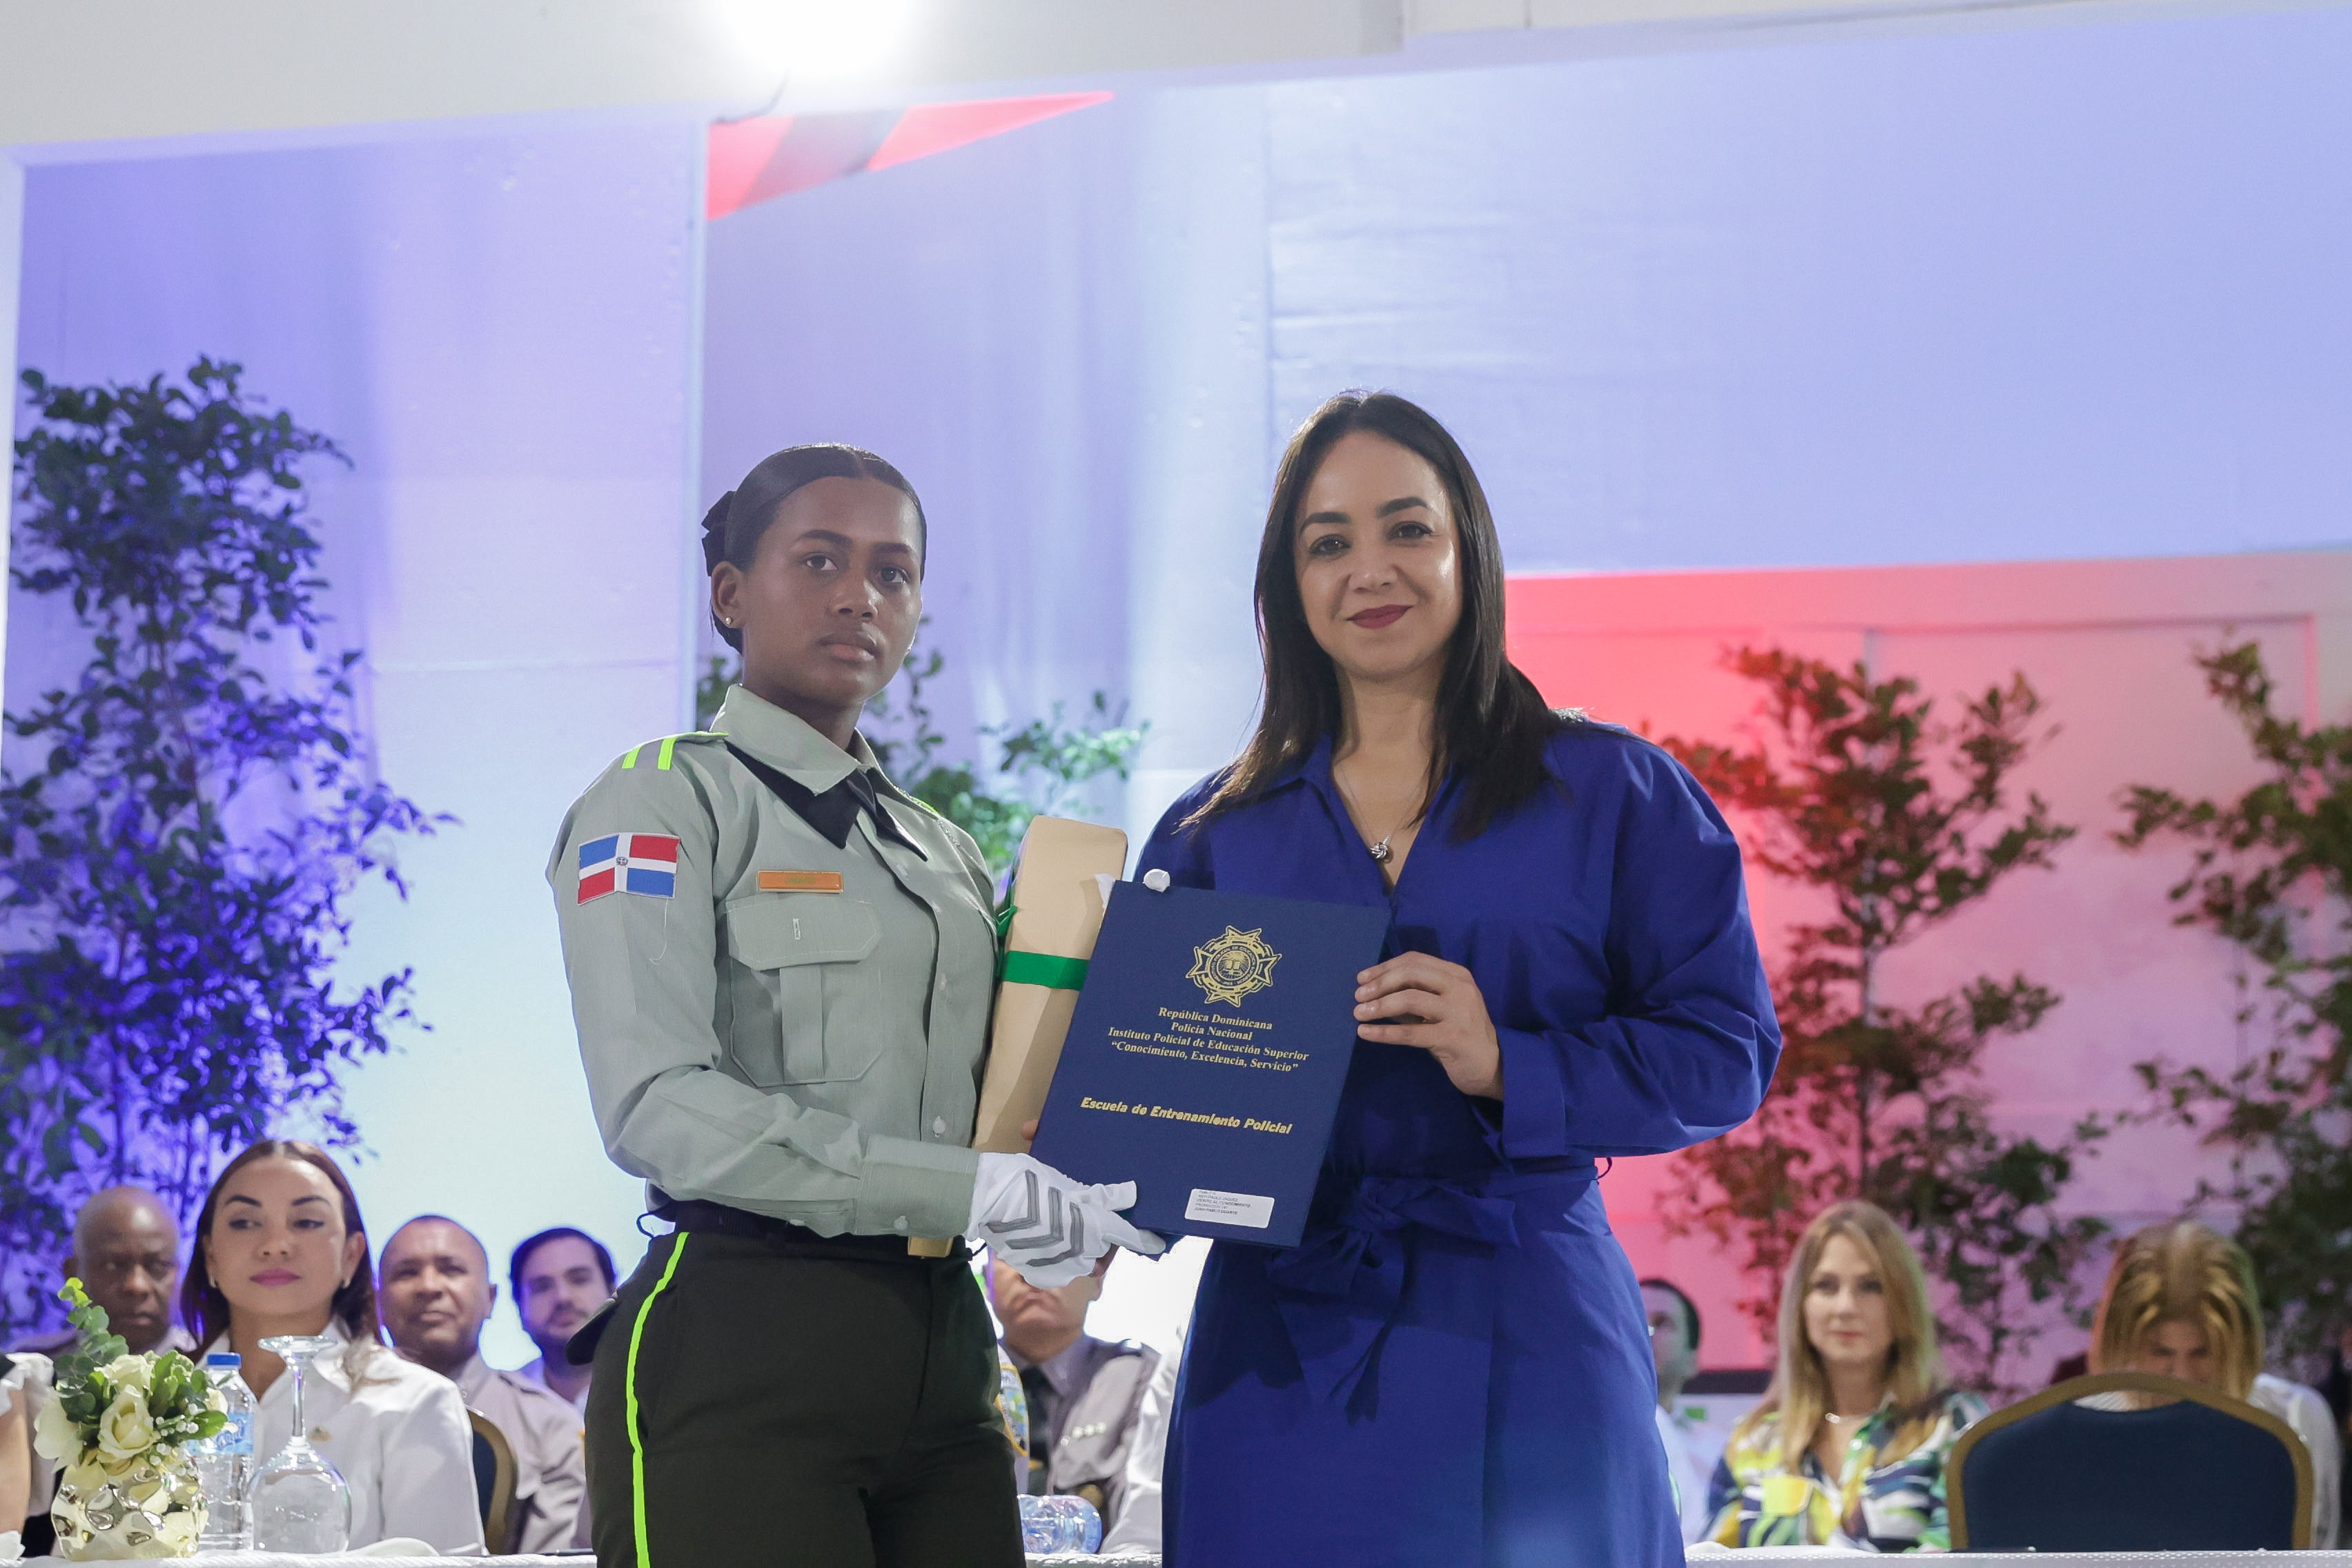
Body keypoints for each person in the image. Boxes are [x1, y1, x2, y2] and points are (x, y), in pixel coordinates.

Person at [1135, 391, 1781, 1567]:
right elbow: (1162, 1113)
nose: (1369, 570)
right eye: (1327, 542)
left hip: (1531, 1330)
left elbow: (1724, 1055)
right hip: (1276, 1348)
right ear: (1287, 581)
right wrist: (1086, 1175)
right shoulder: (1212, 831)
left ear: (1467, 549)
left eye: (1407, 529)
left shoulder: (1616, 792)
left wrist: (1510, 1063)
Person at [548, 443, 1156, 1568]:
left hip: (948, 1348)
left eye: (892, 572)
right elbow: (656, 1105)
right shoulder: (659, 798)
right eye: (819, 560)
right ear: (730, 592)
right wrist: (969, 1187)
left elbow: (1004, 1091)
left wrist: (1140, 1116)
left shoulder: (944, 851)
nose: (860, 596)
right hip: (743, 1334)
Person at [182, 1140, 484, 1554]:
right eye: (245, 1222)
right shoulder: (150, 1400)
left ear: (351, 1256)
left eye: (306, 1222)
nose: (275, 1244)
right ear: (210, 1256)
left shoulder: (416, 1401)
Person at [1706, 1202, 1984, 1551]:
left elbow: (1968, 1554)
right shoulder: (1754, 1440)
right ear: (1800, 1304)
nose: (1846, 1307)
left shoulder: (1955, 1426)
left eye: (1870, 1287)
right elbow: (1710, 1558)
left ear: (1903, 1301)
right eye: (1826, 1286)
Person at [2088, 1219, 2340, 1548]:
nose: (2182, 1376)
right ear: (2123, 1343)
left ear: (2239, 1346)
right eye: (2161, 1352)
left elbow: (2317, 1550)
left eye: (2202, 1352)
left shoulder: (2295, 1418)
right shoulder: (2084, 1431)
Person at [381, 1216, 588, 1554]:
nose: (429, 1286)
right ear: (376, 1301)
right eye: (407, 1273)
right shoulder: (334, 1410)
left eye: (451, 1270)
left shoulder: (552, 1427)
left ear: (490, 1299)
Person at [990, 1253, 1159, 1529]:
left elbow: (1141, 1524)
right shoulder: (956, 1377)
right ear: (986, 1275)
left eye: (1060, 1251)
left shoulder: (1138, 1380)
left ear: (1097, 1279)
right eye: (1008, 1253)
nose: (1031, 1271)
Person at [12, 1186, 193, 1358]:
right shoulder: (30, 1370)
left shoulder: (206, 1367)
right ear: (73, 1274)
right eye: (112, 1265)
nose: (137, 1285)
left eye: (159, 1266)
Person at [510, 1228, 614, 1413]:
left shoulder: (659, 1382)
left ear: (613, 1290)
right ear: (520, 1307)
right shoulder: (502, 1403)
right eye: (542, 1287)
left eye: (579, 1279)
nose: (562, 1297)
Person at [1643, 1276, 1712, 1543]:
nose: (1646, 1331)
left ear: (1693, 1358)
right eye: (1634, 1318)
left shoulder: (1725, 1454)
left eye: (1662, 1323)